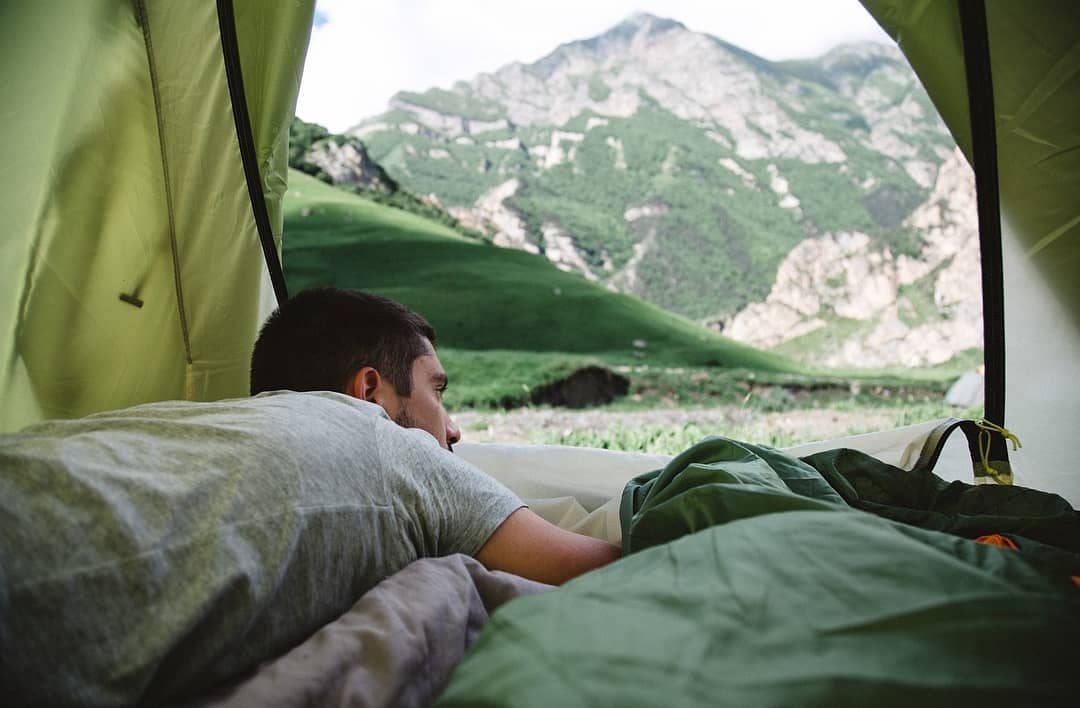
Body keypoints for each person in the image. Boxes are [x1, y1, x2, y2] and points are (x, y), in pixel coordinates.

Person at [249, 286, 621, 586]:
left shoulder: (202, 412)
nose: (454, 429)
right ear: (370, 393)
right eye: (436, 391)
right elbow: (610, 571)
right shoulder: (388, 447)